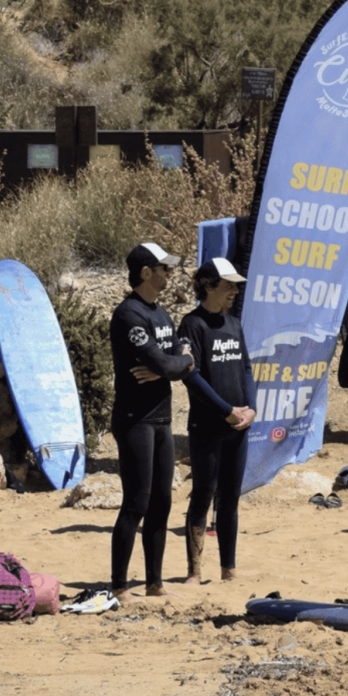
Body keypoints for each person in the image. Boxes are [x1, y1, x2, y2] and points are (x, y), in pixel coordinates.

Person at [109, 242, 194, 601]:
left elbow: (177, 360)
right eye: (164, 269)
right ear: (146, 273)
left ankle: (154, 584)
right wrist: (173, 364)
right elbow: (168, 363)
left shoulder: (161, 314)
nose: (170, 274)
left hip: (161, 419)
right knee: (136, 503)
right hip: (135, 420)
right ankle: (119, 585)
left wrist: (174, 364)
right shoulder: (129, 315)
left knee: (162, 503)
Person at [175, 258, 256, 585]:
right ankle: (194, 572)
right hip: (207, 427)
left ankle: (228, 570)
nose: (234, 291)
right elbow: (190, 375)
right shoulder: (192, 324)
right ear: (208, 285)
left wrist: (251, 408)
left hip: (238, 426)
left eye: (236, 286)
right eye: (228, 285)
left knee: (230, 498)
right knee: (203, 493)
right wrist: (225, 409)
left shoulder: (234, 324)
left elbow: (246, 367)